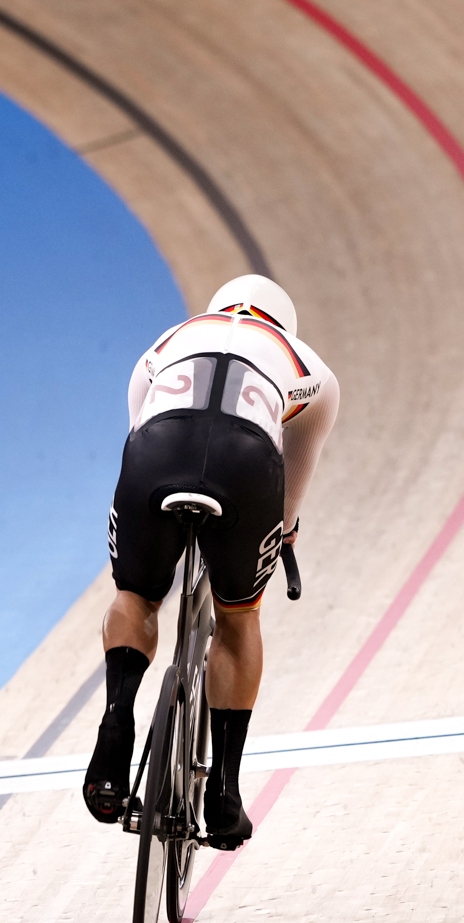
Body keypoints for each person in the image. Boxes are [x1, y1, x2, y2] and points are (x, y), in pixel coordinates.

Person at [82, 274, 339, 848]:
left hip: (157, 451)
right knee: (239, 614)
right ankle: (224, 793)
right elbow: (290, 491)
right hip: (245, 462)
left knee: (136, 594)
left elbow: (137, 432)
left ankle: (117, 718)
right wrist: (286, 536)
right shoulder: (311, 369)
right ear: (284, 328)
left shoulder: (170, 338)